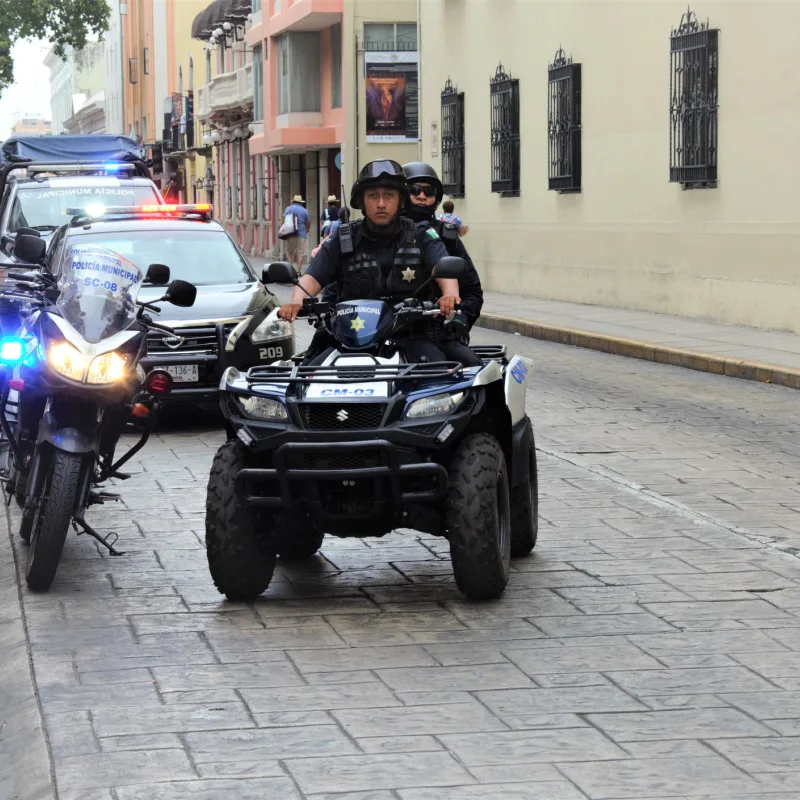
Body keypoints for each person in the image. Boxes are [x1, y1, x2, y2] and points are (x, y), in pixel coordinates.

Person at [278, 160, 461, 366]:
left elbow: (444, 268)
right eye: (373, 195)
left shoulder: (422, 235)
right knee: (306, 377)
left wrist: (449, 294)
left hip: (412, 334)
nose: (381, 203)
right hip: (347, 338)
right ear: (362, 201)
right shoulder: (343, 238)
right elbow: (312, 277)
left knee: (452, 374)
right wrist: (297, 301)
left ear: (400, 200)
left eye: (388, 196)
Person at [401, 162, 483, 364]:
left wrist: (459, 319)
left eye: (428, 191)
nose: (421, 196)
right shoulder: (384, 233)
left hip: (432, 331)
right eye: (415, 190)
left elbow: (472, 291)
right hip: (380, 331)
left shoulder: (447, 237)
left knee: (477, 371)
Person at [282, 194, 311, 277]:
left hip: (290, 233)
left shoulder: (288, 209)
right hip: (301, 233)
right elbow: (308, 222)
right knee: (300, 253)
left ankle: (290, 269)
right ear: (301, 202)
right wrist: (306, 231)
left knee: (289, 251)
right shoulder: (304, 211)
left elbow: (283, 221)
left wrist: (283, 231)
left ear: (293, 201)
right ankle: (298, 271)